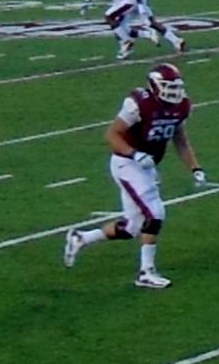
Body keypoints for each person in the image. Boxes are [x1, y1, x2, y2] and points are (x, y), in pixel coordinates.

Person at [64, 62, 206, 289]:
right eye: (168, 86)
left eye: (176, 87)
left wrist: (195, 168)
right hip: (127, 163)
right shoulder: (139, 104)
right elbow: (111, 134)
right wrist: (135, 154)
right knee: (155, 213)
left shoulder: (181, 106)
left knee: (132, 227)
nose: (174, 92)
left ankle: (81, 238)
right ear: (155, 86)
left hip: (146, 165)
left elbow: (179, 138)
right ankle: (146, 272)